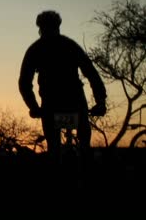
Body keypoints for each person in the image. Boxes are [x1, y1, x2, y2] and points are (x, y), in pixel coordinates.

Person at [18, 10, 107, 164]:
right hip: (74, 102)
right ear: (58, 27)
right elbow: (91, 74)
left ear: (40, 28)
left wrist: (33, 107)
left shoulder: (35, 49)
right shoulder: (70, 45)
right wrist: (100, 102)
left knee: (54, 149)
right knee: (83, 142)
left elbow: (25, 83)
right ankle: (85, 168)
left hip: (52, 104)